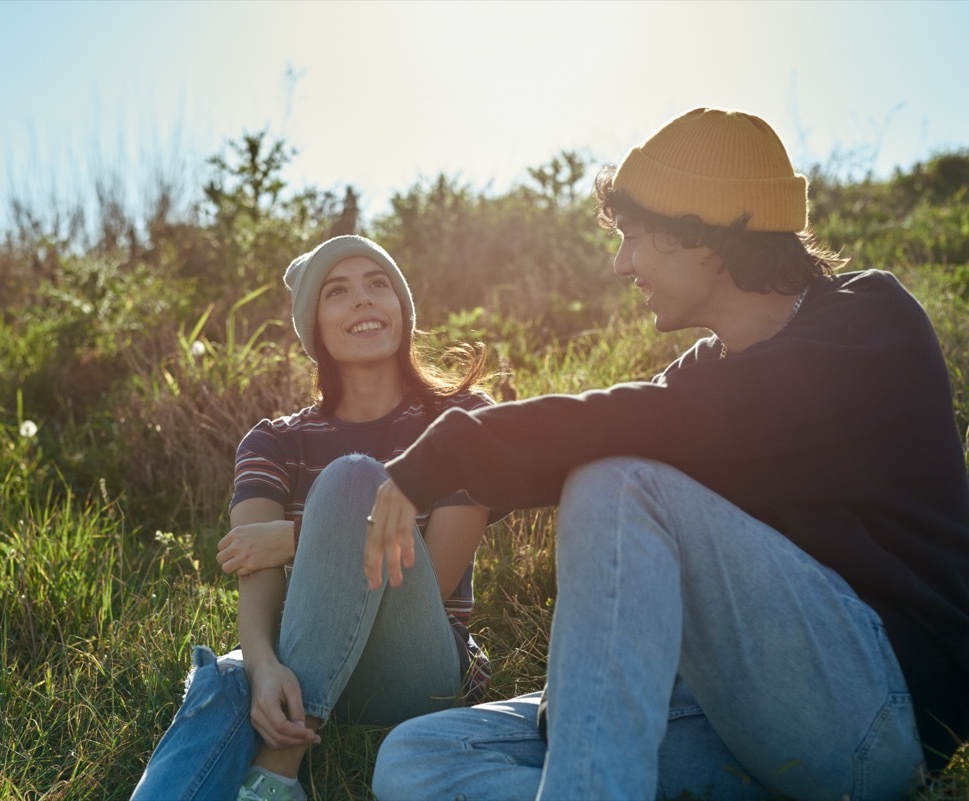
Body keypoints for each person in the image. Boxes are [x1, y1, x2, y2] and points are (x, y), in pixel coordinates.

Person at [365, 108, 969, 801]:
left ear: (701, 236)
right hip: (745, 721)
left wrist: (450, 448)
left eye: (633, 237)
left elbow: (659, 423)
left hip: (875, 720)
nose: (622, 264)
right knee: (419, 756)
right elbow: (653, 421)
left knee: (616, 479)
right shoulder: (704, 373)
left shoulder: (872, 321)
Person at [130, 235, 500, 801]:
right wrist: (261, 666)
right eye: (338, 291)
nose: (363, 300)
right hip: (303, 658)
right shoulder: (273, 442)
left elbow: (438, 574)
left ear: (402, 308)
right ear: (314, 326)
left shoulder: (462, 419)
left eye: (379, 284)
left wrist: (299, 536)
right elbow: (254, 561)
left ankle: (278, 773)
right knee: (226, 676)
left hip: (415, 668)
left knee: (355, 478)